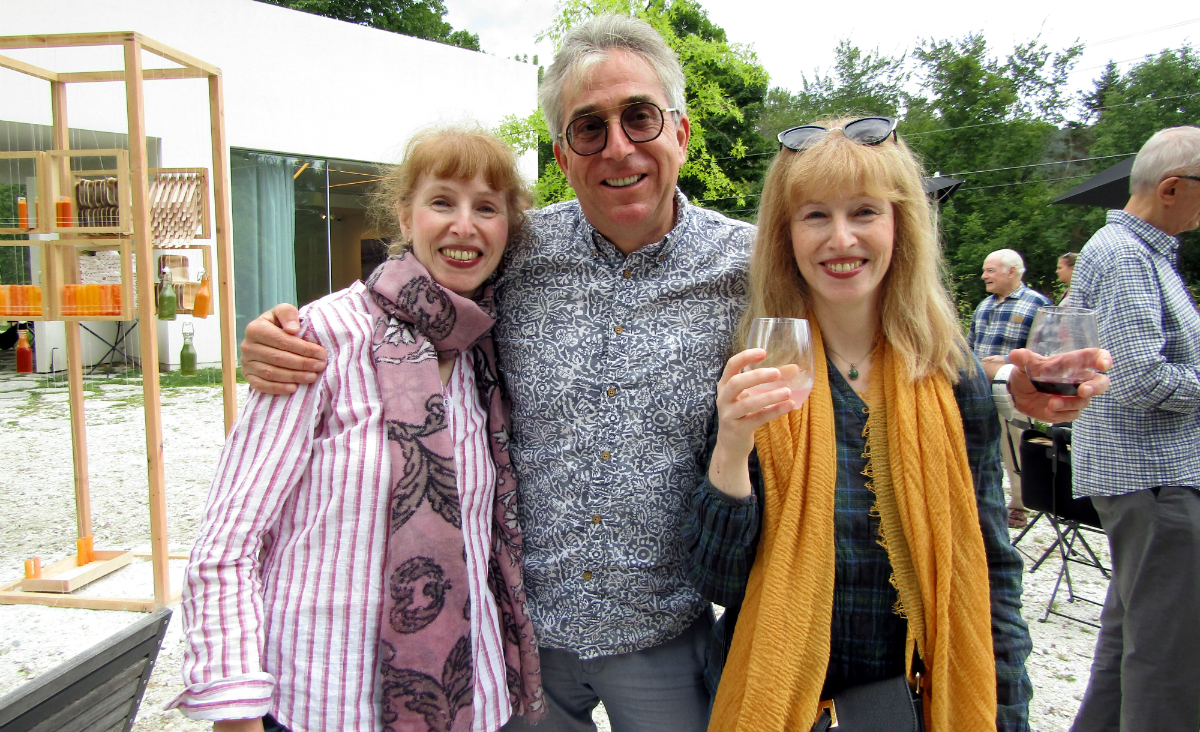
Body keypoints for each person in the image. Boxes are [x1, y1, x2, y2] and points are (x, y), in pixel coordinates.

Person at [235, 17, 1110, 732]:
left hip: (669, 637)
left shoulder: (754, 265)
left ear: (680, 132)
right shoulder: (518, 253)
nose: (618, 147)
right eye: (589, 127)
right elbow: (418, 289)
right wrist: (292, 326)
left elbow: (878, 330)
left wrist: (1002, 385)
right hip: (520, 643)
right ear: (563, 151)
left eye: (639, 118)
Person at [170, 126, 544, 732]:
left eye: (487, 208)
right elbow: (226, 546)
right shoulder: (319, 338)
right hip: (324, 701)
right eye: (442, 201)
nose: (464, 226)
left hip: (465, 702)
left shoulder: (486, 352)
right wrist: (233, 708)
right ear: (405, 215)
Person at [687, 117, 1032, 732]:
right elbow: (718, 581)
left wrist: (1006, 711)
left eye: (865, 211)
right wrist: (732, 448)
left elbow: (992, 571)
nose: (841, 239)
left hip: (910, 707)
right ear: (785, 236)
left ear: (901, 224)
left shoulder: (953, 376)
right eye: (814, 215)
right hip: (775, 699)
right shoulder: (756, 369)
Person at [1068, 126, 1200, 732]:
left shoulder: (1138, 252)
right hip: (1156, 475)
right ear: (1172, 187)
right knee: (1170, 657)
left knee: (1132, 642)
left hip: (1150, 476)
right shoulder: (1124, 253)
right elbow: (1143, 378)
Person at [968, 249, 1051, 528]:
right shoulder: (984, 306)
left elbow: (1045, 349)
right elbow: (970, 345)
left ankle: (1019, 506)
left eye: (990, 270)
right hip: (978, 388)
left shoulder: (1037, 304)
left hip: (1015, 389)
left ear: (1011, 271)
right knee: (977, 445)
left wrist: (1004, 361)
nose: (984, 276)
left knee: (1015, 446)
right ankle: (978, 503)